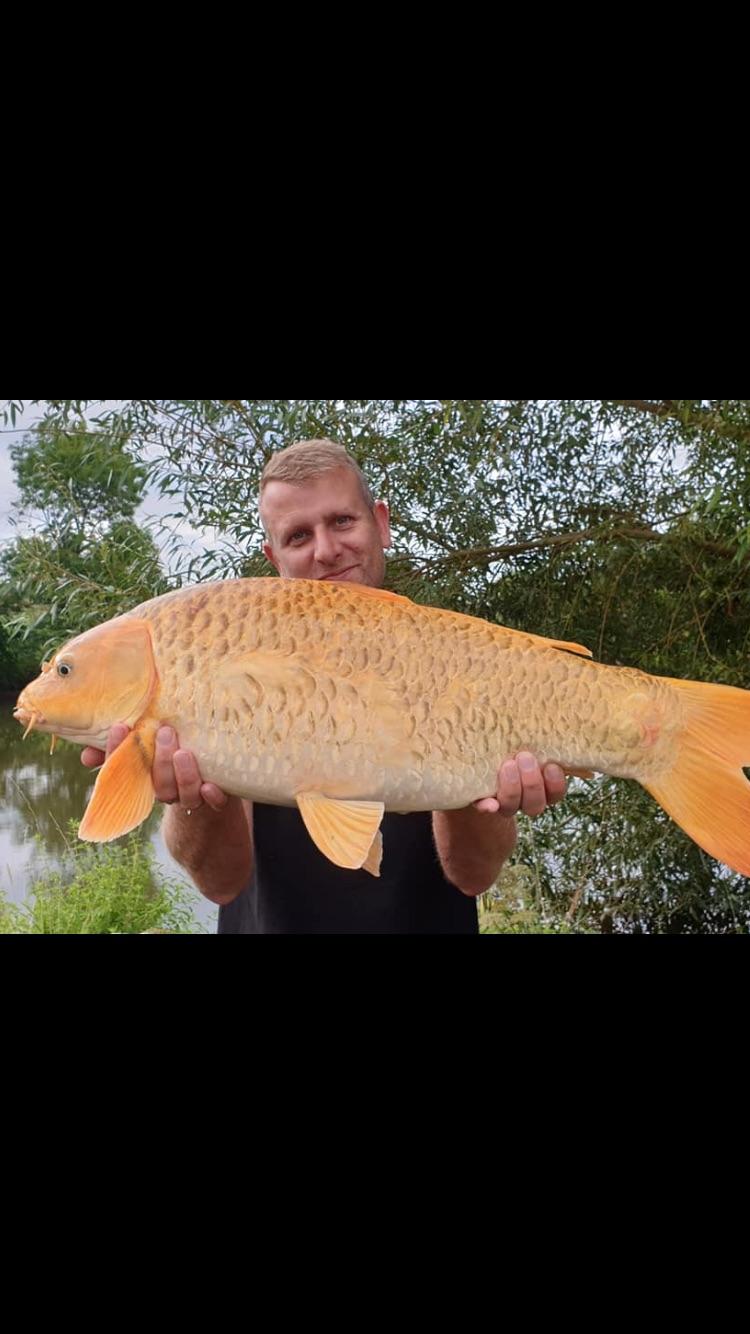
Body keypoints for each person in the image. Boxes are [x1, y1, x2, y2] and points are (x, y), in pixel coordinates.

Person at [82, 440, 567, 933]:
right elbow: (221, 884)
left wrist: (486, 792)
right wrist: (195, 798)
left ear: (381, 523)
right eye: (298, 536)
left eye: (341, 521)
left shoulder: (455, 658)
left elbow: (472, 876)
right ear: (274, 558)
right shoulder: (237, 650)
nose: (327, 549)